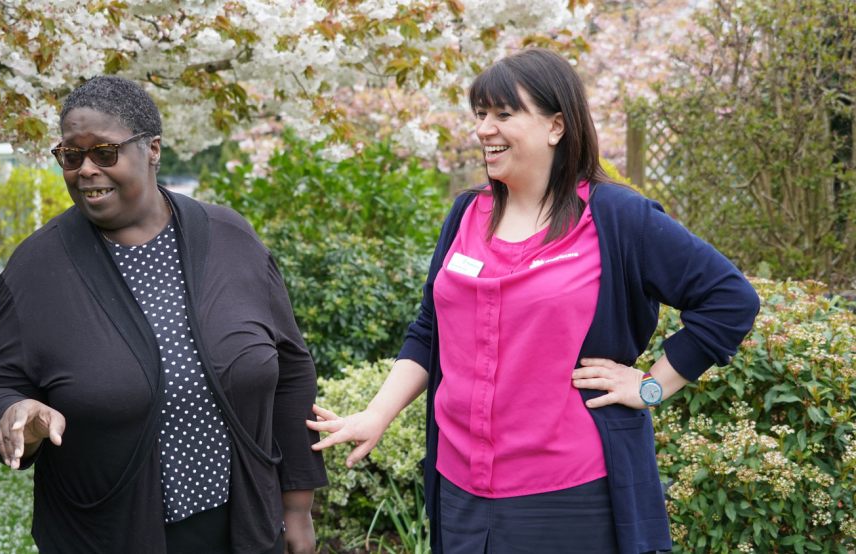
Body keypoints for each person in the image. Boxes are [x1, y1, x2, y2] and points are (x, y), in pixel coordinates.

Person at [307, 48, 759, 554]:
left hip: (570, 492)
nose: (484, 129)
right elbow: (429, 331)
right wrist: (376, 415)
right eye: (480, 115)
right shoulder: (465, 215)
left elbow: (730, 299)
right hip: (458, 485)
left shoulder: (616, 217)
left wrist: (652, 386)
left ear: (556, 126)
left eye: (504, 114)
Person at [0, 75, 327, 554]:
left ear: (152, 149)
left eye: (104, 153)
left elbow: (291, 370)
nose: (86, 170)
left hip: (246, 524)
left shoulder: (230, 238)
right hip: (109, 532)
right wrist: (15, 413)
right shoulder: (37, 269)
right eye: (71, 157)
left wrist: (296, 509)